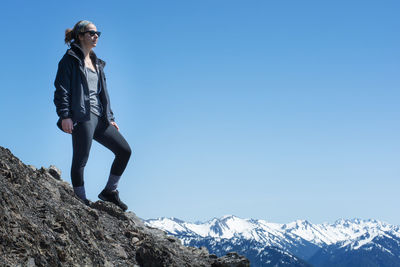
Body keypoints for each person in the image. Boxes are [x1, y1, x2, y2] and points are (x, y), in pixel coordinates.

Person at [54, 20, 131, 211]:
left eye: (98, 33)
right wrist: (65, 115)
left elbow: (103, 93)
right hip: (82, 116)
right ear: (80, 36)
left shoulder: (97, 63)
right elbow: (61, 90)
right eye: (91, 33)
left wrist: (110, 118)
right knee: (81, 159)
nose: (96, 36)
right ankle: (80, 200)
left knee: (124, 151)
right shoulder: (69, 60)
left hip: (101, 118)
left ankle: (109, 192)